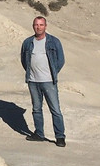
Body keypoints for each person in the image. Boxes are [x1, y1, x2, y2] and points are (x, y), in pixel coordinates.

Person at [20, 16, 66, 146]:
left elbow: (61, 60)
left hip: (48, 81)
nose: (38, 27)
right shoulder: (28, 42)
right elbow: (24, 60)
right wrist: (31, 72)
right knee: (36, 108)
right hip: (33, 81)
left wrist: (52, 73)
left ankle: (60, 137)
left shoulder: (54, 41)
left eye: (41, 25)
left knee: (55, 109)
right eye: (36, 25)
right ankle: (39, 134)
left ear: (45, 26)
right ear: (33, 26)